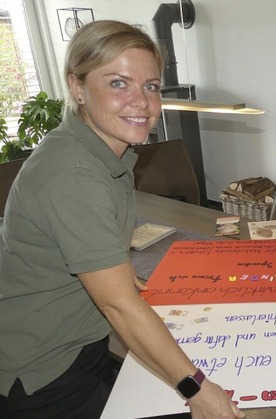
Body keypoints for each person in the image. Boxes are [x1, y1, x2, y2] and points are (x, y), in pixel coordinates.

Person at [0, 21, 244, 419]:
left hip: (82, 344)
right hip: (43, 374)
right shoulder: (73, 173)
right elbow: (118, 307)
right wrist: (195, 388)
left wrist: (114, 266)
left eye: (150, 86)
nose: (142, 101)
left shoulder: (97, 151)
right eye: (118, 83)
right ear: (77, 87)